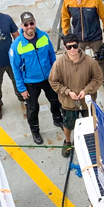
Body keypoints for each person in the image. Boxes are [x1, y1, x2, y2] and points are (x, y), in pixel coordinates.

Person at [9, 12, 62, 145]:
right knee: (32, 108)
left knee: (55, 100)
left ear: (35, 22)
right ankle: (35, 130)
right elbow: (15, 68)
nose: (29, 26)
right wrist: (21, 88)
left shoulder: (44, 36)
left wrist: (54, 74)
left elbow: (51, 56)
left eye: (31, 23)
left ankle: (57, 119)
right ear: (22, 26)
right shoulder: (16, 46)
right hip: (30, 82)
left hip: (48, 78)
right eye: (26, 24)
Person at [49, 33, 103, 157]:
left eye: (74, 46)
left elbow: (98, 78)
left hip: (86, 102)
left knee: (89, 124)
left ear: (78, 45)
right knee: (68, 124)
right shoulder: (58, 64)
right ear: (64, 47)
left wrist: (87, 90)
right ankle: (68, 141)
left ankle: (90, 142)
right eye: (69, 47)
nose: (72, 49)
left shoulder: (90, 61)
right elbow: (53, 81)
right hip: (68, 103)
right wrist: (67, 92)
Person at [60, 0, 104, 94]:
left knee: (100, 60)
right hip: (78, 38)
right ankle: (82, 83)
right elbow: (65, 17)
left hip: (95, 37)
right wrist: (65, 34)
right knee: (78, 61)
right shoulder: (68, 0)